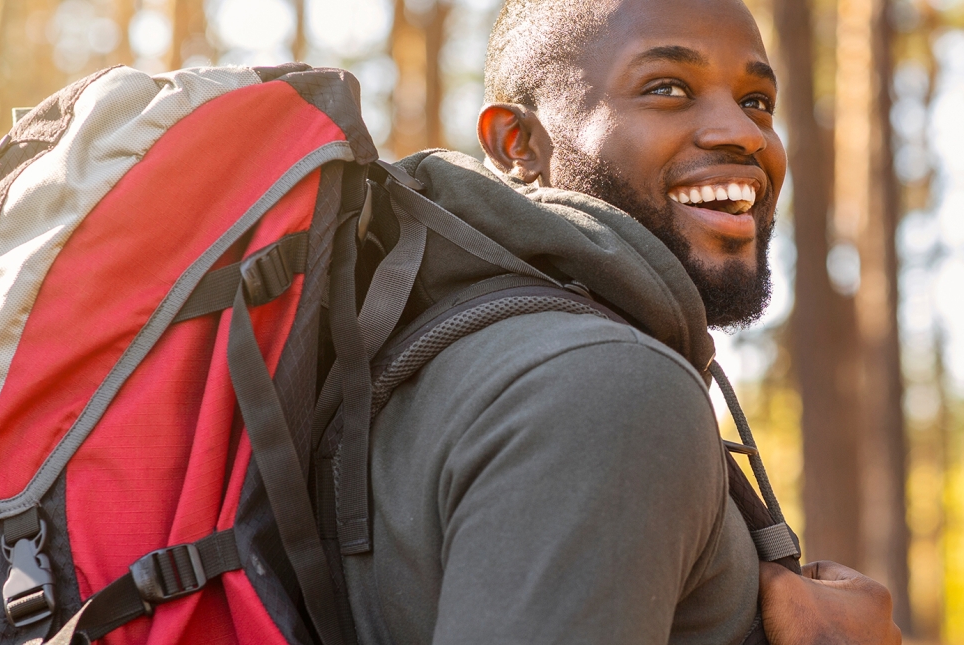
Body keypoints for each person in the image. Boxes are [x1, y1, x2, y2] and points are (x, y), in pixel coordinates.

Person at [341, 0, 904, 643]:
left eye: (756, 101)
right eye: (667, 88)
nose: (744, 133)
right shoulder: (605, 385)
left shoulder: (456, 355)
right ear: (517, 143)